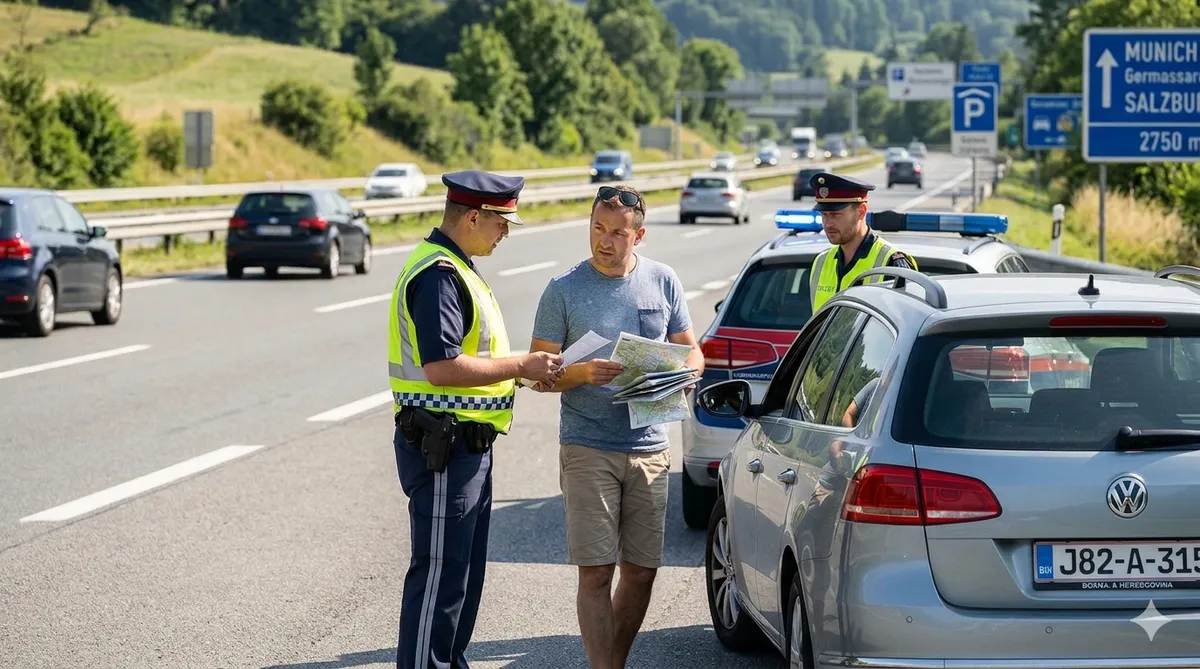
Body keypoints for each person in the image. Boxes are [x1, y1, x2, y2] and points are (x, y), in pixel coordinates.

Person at [389, 169, 565, 669]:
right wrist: (521, 365)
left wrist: (523, 375)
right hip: (443, 449)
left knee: (461, 576)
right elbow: (443, 367)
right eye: (502, 223)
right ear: (472, 217)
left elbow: (474, 359)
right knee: (442, 576)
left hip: (467, 449)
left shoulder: (457, 267)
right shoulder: (439, 276)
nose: (506, 233)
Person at [528, 184, 704, 669]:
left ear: (639, 235)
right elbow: (536, 375)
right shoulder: (562, 290)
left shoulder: (664, 280)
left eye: (617, 233)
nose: (604, 241)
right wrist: (581, 373)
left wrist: (688, 370)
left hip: (650, 444)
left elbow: (692, 347)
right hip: (587, 444)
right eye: (597, 229)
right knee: (596, 572)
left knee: (643, 572)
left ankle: (613, 663)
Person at [806, 172, 918, 312]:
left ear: (861, 211)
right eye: (824, 215)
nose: (828, 224)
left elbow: (908, 324)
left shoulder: (892, 263)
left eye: (835, 215)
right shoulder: (821, 262)